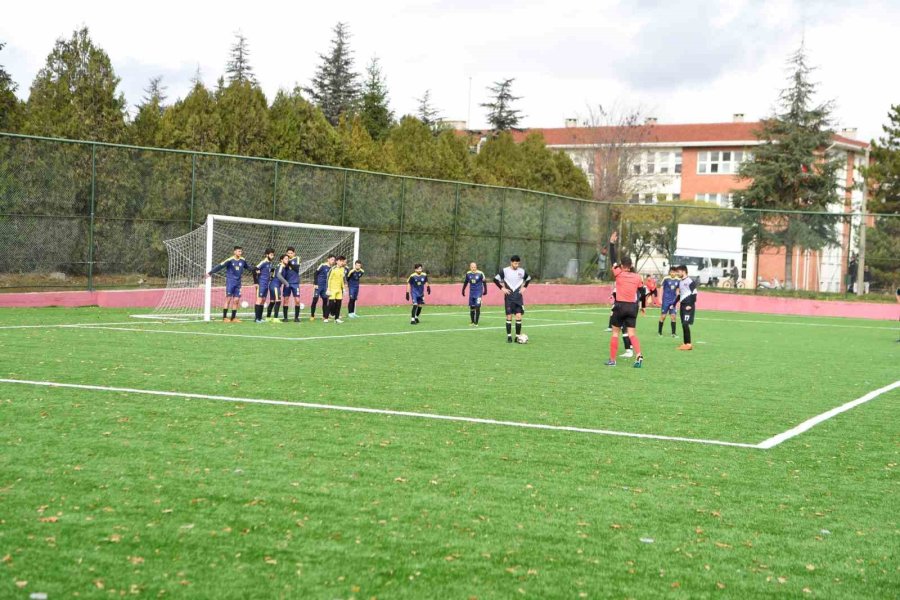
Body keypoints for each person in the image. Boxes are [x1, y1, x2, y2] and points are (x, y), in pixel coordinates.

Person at [605, 236, 644, 368]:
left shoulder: (618, 273)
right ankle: (638, 354)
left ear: (622, 266)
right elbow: (642, 292)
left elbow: (612, 259)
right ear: (631, 265)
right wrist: (643, 306)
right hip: (632, 307)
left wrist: (611, 244)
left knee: (615, 333)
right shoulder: (638, 277)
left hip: (620, 306)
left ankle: (612, 360)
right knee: (632, 333)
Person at [206, 245, 251, 322]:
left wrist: (256, 269)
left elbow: (248, 267)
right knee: (228, 299)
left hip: (238, 283)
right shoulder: (230, 260)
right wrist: (210, 273)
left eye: (241, 251)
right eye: (238, 251)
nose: (240, 252)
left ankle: (233, 318)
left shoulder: (243, 260)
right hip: (230, 282)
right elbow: (220, 266)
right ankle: (224, 317)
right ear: (234, 252)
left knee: (236, 300)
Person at [494, 255, 532, 343]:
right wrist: (502, 288)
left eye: (518, 263)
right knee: (509, 316)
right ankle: (509, 337)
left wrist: (524, 287)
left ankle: (518, 337)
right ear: (511, 262)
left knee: (518, 316)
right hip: (509, 298)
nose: (517, 265)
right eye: (515, 263)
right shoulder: (505, 271)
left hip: (518, 298)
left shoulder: (521, 271)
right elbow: (495, 279)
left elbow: (528, 278)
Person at [675, 264, 698, 350]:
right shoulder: (680, 282)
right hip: (682, 306)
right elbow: (680, 295)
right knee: (683, 324)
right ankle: (685, 343)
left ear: (683, 271)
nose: (678, 273)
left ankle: (688, 344)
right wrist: (673, 304)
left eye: (679, 272)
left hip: (688, 306)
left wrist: (690, 305)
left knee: (685, 324)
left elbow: (695, 294)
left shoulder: (690, 281)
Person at [253, 249, 276, 323]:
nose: (272, 256)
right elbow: (254, 269)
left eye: (273, 255)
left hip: (266, 284)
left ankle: (260, 318)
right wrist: (256, 282)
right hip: (261, 284)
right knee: (259, 300)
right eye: (271, 255)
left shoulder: (270, 263)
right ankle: (256, 319)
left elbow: (270, 271)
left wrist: (271, 276)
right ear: (267, 255)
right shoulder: (263, 262)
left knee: (263, 300)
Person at [265, 254, 290, 322]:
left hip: (273, 285)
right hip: (275, 285)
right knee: (278, 301)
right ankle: (275, 318)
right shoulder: (281, 266)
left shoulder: (280, 266)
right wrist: (286, 283)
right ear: (281, 260)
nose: (287, 260)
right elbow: (278, 275)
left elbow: (273, 274)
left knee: (272, 302)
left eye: (288, 259)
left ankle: (268, 317)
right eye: (285, 259)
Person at [461, 262, 488, 326]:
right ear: (470, 267)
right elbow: (466, 282)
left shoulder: (480, 273)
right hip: (472, 293)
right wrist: (463, 290)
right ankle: (472, 322)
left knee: (477, 306)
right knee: (472, 307)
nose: (473, 268)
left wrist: (485, 290)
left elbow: (484, 282)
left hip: (478, 292)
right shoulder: (468, 274)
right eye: (472, 267)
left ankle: (476, 322)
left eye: (474, 267)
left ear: (476, 267)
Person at [310, 255, 335, 321]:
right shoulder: (322, 265)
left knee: (325, 300)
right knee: (315, 299)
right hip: (318, 285)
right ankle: (312, 315)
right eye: (332, 259)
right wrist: (315, 283)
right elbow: (315, 273)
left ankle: (324, 316)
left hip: (325, 287)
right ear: (328, 259)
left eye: (334, 260)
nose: (333, 261)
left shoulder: (332, 268)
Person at [325, 256, 348, 323]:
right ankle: (326, 318)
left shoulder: (342, 269)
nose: (342, 262)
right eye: (341, 261)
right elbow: (328, 279)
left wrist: (343, 289)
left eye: (343, 261)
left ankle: (337, 318)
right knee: (331, 304)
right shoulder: (333, 269)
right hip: (332, 289)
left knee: (339, 304)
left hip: (339, 290)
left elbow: (342, 280)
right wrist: (328, 289)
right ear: (337, 261)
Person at [658, 267, 680, 337]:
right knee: (663, 316)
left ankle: (673, 333)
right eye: (671, 272)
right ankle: (659, 332)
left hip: (673, 302)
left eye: (674, 272)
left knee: (673, 316)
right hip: (665, 301)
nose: (673, 273)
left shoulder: (678, 280)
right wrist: (660, 298)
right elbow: (661, 288)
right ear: (669, 272)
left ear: (676, 272)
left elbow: (677, 291)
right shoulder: (666, 279)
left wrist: (678, 301)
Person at [281, 247, 302, 322]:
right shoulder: (284, 260)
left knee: (297, 300)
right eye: (288, 253)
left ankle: (296, 317)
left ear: (294, 253)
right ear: (286, 253)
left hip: (295, 283)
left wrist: (288, 263)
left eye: (291, 253)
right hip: (287, 283)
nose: (289, 254)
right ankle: (285, 318)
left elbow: (296, 268)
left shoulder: (297, 258)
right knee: (286, 299)